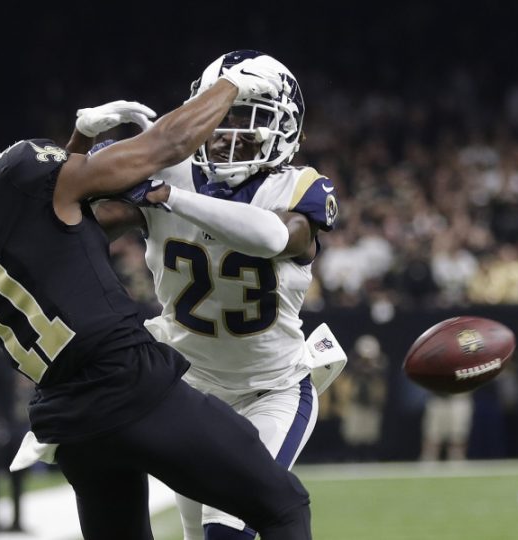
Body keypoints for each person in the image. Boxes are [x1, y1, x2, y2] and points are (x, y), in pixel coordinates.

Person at [0, 56, 312, 540]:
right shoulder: (16, 175)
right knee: (281, 506)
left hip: (70, 424)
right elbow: (167, 145)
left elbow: (57, 226)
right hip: (130, 386)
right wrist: (232, 84)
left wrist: (77, 144)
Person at [82, 50, 339, 539]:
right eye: (222, 114)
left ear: (285, 127)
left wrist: (170, 197)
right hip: (188, 390)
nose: (230, 130)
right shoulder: (171, 173)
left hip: (270, 391)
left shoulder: (299, 188)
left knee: (229, 528)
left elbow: (273, 237)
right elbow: (78, 227)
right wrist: (93, 156)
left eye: (247, 115)